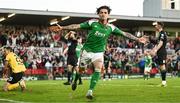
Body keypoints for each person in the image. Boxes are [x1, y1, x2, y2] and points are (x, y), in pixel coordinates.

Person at [50, 5, 146, 99]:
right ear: (98, 14)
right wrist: (63, 28)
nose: (103, 14)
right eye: (101, 13)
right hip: (87, 51)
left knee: (98, 69)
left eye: (105, 13)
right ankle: (75, 80)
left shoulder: (111, 27)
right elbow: (77, 26)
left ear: (108, 15)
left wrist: (137, 39)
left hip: (98, 52)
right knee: (80, 71)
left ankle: (90, 91)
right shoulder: (92, 23)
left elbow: (124, 33)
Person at [150, 21, 167, 87]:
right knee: (160, 67)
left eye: (156, 25)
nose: (155, 26)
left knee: (162, 66)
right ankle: (163, 82)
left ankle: (164, 83)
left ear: (160, 26)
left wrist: (155, 50)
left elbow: (161, 43)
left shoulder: (162, 33)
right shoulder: (159, 34)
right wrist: (153, 50)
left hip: (162, 52)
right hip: (159, 52)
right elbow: (157, 43)